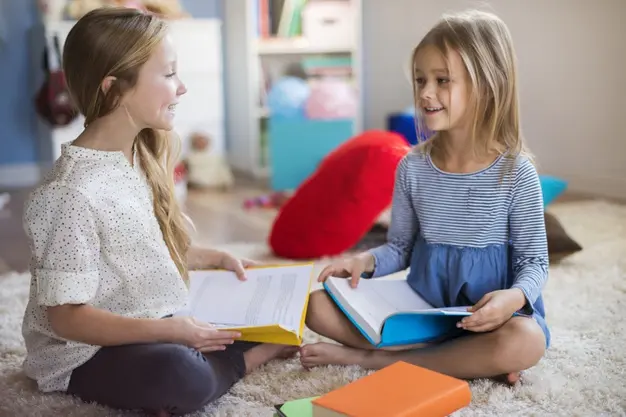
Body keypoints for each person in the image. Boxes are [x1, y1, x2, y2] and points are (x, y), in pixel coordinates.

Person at [21, 7, 295, 417]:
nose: (181, 88)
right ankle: (245, 361)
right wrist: (172, 330)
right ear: (114, 90)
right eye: (168, 74)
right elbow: (66, 320)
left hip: (149, 320)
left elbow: (142, 248)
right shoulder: (70, 193)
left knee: (284, 306)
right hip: (85, 352)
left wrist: (214, 258)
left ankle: (223, 348)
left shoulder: (135, 157)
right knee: (179, 373)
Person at [300, 10, 549, 385]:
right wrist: (364, 261)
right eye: (420, 80)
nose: (425, 93)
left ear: (487, 84)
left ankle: (376, 361)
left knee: (527, 341)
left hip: (488, 318)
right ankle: (459, 361)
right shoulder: (412, 167)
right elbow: (400, 247)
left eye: (442, 80)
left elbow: (534, 262)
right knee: (316, 304)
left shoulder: (516, 173)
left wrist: (513, 299)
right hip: (420, 310)